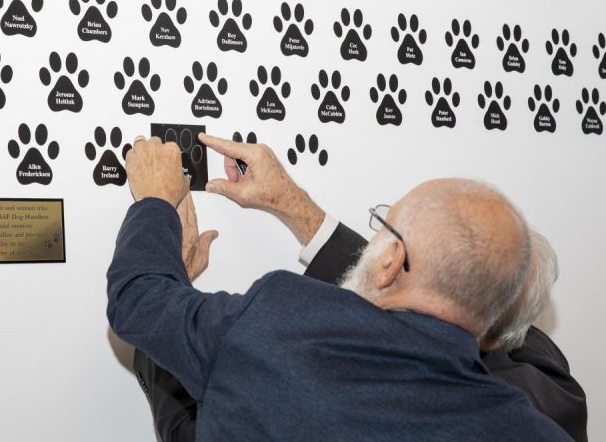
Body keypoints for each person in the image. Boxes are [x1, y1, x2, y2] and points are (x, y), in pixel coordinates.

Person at [107, 135, 573, 441]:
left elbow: (140, 299)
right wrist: (295, 205)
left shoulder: (276, 326)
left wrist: (155, 200)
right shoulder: (536, 428)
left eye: (383, 227)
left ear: (390, 261)